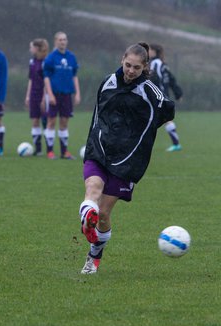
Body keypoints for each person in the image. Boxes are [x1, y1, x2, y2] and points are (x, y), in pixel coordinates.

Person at [79, 42, 175, 274]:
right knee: (92, 188)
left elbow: (167, 110)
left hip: (128, 159)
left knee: (103, 214)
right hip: (100, 148)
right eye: (128, 65)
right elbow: (99, 111)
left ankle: (94, 255)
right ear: (122, 59)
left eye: (136, 67)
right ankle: (86, 222)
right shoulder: (108, 81)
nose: (131, 71)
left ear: (145, 67)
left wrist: (139, 131)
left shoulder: (150, 92)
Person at [43, 31, 81, 159]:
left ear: (67, 41)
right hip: (54, 94)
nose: (62, 42)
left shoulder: (72, 57)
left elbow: (75, 76)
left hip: (67, 95)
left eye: (64, 39)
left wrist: (77, 93)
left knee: (64, 122)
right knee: (51, 121)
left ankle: (64, 152)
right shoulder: (51, 57)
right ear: (55, 41)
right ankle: (50, 151)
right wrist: (50, 94)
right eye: (60, 40)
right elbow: (46, 78)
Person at [149, 43, 183, 152]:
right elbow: (171, 79)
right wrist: (178, 93)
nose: (148, 52)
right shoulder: (163, 64)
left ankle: (176, 144)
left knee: (155, 119)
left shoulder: (155, 63)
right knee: (164, 120)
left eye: (149, 50)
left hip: (157, 96)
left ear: (154, 51)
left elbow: (153, 79)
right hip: (163, 95)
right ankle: (176, 144)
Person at [25, 38, 49, 155]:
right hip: (33, 94)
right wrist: (28, 96)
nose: (30, 49)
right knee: (35, 121)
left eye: (31, 47)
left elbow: (46, 81)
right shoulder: (32, 61)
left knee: (45, 121)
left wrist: (45, 97)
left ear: (37, 48)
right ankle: (38, 149)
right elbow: (31, 79)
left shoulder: (46, 62)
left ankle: (49, 149)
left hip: (43, 94)